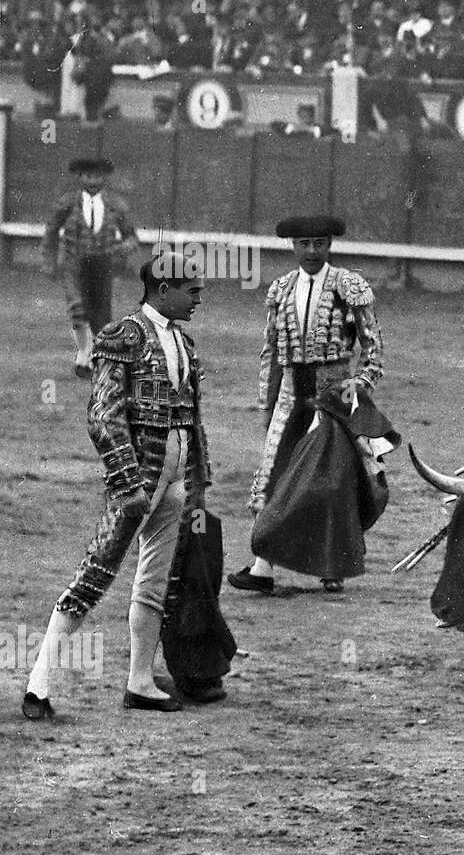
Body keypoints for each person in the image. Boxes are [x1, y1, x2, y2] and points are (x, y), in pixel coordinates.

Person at [22, 258, 220, 719]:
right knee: (96, 573)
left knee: (154, 582)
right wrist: (127, 480)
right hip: (140, 478)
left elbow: (191, 418)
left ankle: (140, 682)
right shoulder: (121, 337)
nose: (198, 297)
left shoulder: (182, 342)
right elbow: (103, 416)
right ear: (164, 288)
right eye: (191, 290)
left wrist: (198, 482)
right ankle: (38, 685)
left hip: (176, 477)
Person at [229, 215, 384, 596]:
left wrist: (355, 391)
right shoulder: (280, 289)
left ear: (329, 244)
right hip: (290, 395)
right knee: (273, 476)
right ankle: (263, 569)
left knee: (330, 484)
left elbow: (373, 351)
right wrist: (267, 405)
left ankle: (333, 568)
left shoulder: (350, 286)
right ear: (293, 246)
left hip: (334, 397)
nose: (312, 251)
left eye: (319, 243)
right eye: (304, 244)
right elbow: (271, 352)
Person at [42, 158, 140, 378]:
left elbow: (132, 237)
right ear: (79, 177)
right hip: (73, 263)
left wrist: (120, 249)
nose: (93, 180)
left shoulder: (116, 204)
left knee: (101, 316)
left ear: (104, 177)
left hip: (102, 265)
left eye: (97, 176)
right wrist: (49, 262)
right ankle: (83, 355)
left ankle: (93, 359)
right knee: (77, 309)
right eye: (88, 175)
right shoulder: (67, 202)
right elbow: (50, 231)